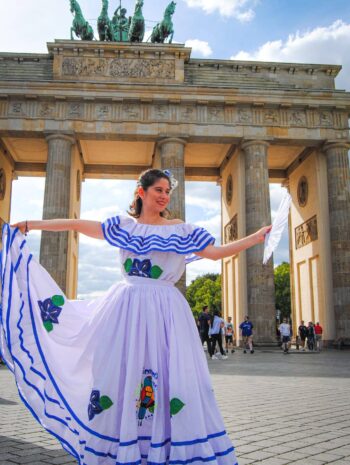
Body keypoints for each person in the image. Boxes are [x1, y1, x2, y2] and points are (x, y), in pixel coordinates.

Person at [2, 168, 270, 465]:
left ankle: (168, 448)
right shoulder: (123, 226)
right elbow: (76, 224)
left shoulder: (179, 228)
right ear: (141, 193)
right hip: (126, 310)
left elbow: (217, 253)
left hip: (167, 312)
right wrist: (30, 223)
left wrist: (256, 238)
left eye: (168, 191)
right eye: (159, 190)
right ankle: (125, 446)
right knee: (121, 375)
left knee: (170, 379)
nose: (165, 196)